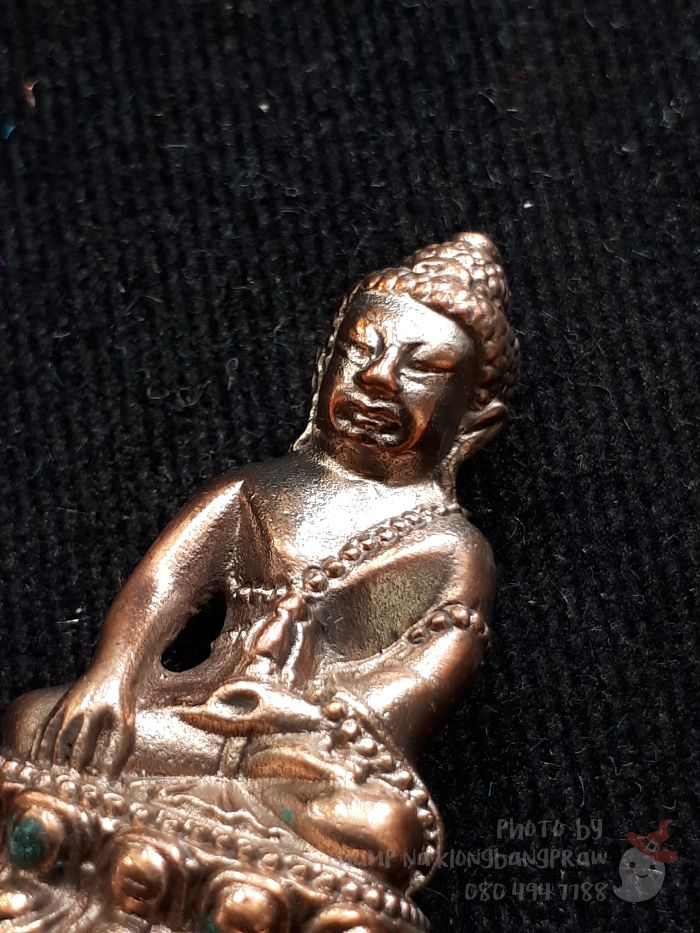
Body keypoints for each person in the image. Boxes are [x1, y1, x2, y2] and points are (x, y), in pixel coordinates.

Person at [4, 231, 518, 885]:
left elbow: (422, 677)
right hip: (192, 715)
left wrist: (300, 715)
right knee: (33, 724)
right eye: (361, 349)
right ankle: (196, 835)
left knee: (380, 830)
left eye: (424, 368)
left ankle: (138, 834)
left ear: (475, 419)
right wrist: (113, 676)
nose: (378, 377)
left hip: (306, 754)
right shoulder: (252, 490)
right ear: (324, 367)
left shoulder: (453, 551)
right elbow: (163, 584)